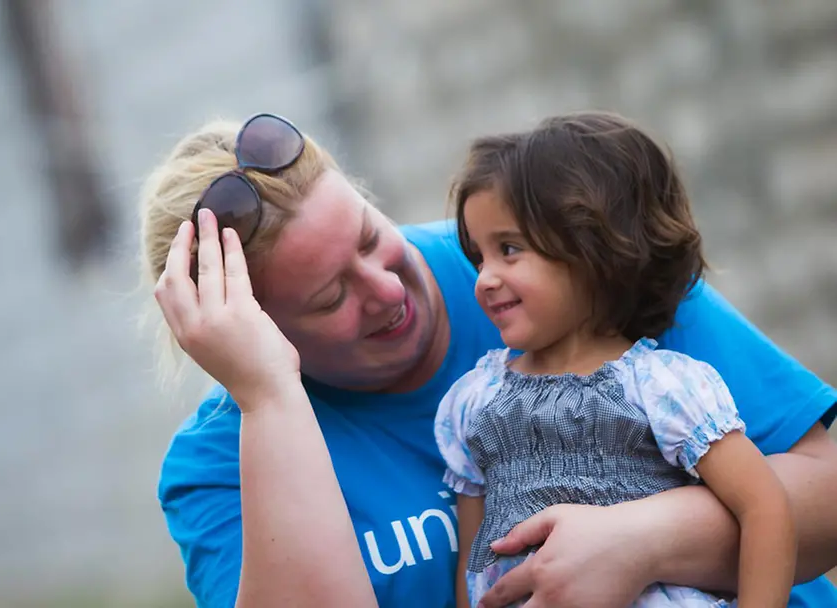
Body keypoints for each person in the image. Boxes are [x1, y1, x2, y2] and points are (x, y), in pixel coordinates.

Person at [141, 112, 837, 608]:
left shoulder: (554, 256)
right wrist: (270, 399)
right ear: (254, 332)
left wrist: (643, 539)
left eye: (368, 237)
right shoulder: (219, 469)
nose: (387, 289)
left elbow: (826, 492)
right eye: (331, 299)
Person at [436, 112, 795, 608]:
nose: (484, 279)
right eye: (479, 257)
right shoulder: (474, 403)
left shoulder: (660, 386)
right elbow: (473, 566)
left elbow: (764, 506)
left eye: (509, 249)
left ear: (592, 248)